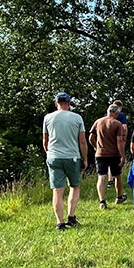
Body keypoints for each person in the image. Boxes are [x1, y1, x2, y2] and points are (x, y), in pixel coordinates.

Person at [43, 92, 88, 230]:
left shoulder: (48, 118)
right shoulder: (77, 118)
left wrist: (49, 153)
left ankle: (60, 223)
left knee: (57, 190)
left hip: (54, 157)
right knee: (74, 186)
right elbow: (82, 141)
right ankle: (71, 217)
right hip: (72, 157)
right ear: (68, 104)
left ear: (56, 103)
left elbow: (45, 141)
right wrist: (85, 158)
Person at [88, 103, 126, 209]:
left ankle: (102, 201)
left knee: (102, 176)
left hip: (100, 154)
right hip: (114, 154)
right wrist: (123, 156)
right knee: (117, 175)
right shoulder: (117, 124)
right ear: (116, 113)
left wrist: (96, 147)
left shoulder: (98, 122)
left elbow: (91, 137)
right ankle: (119, 197)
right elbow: (119, 141)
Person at [108, 99, 128, 191]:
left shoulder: (106, 116)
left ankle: (110, 180)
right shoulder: (121, 115)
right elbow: (124, 127)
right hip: (118, 138)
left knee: (108, 161)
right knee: (117, 160)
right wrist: (124, 138)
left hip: (108, 140)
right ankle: (116, 179)